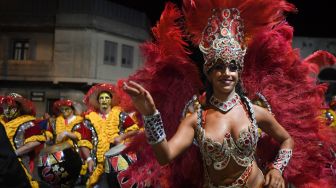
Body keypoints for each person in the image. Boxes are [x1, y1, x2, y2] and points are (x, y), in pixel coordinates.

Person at [120, 0, 336, 187]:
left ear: (239, 71)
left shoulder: (256, 112)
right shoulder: (195, 119)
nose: (227, 73)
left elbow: (287, 139)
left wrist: (277, 169)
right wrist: (150, 115)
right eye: (219, 67)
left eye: (233, 67)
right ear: (209, 72)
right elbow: (164, 156)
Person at [80, 83, 140, 187]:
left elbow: (135, 130)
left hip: (119, 162)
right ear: (98, 101)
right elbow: (84, 141)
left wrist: (122, 137)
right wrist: (89, 159)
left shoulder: (120, 115)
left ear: (110, 100)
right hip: (97, 164)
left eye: (107, 98)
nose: (104, 100)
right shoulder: (89, 119)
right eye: (101, 98)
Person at [0, 93, 47, 188]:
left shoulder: (28, 122)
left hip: (18, 166)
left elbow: (36, 141)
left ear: (19, 108)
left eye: (12, 108)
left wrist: (13, 154)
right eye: (6, 107)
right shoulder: (2, 121)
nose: (8, 111)